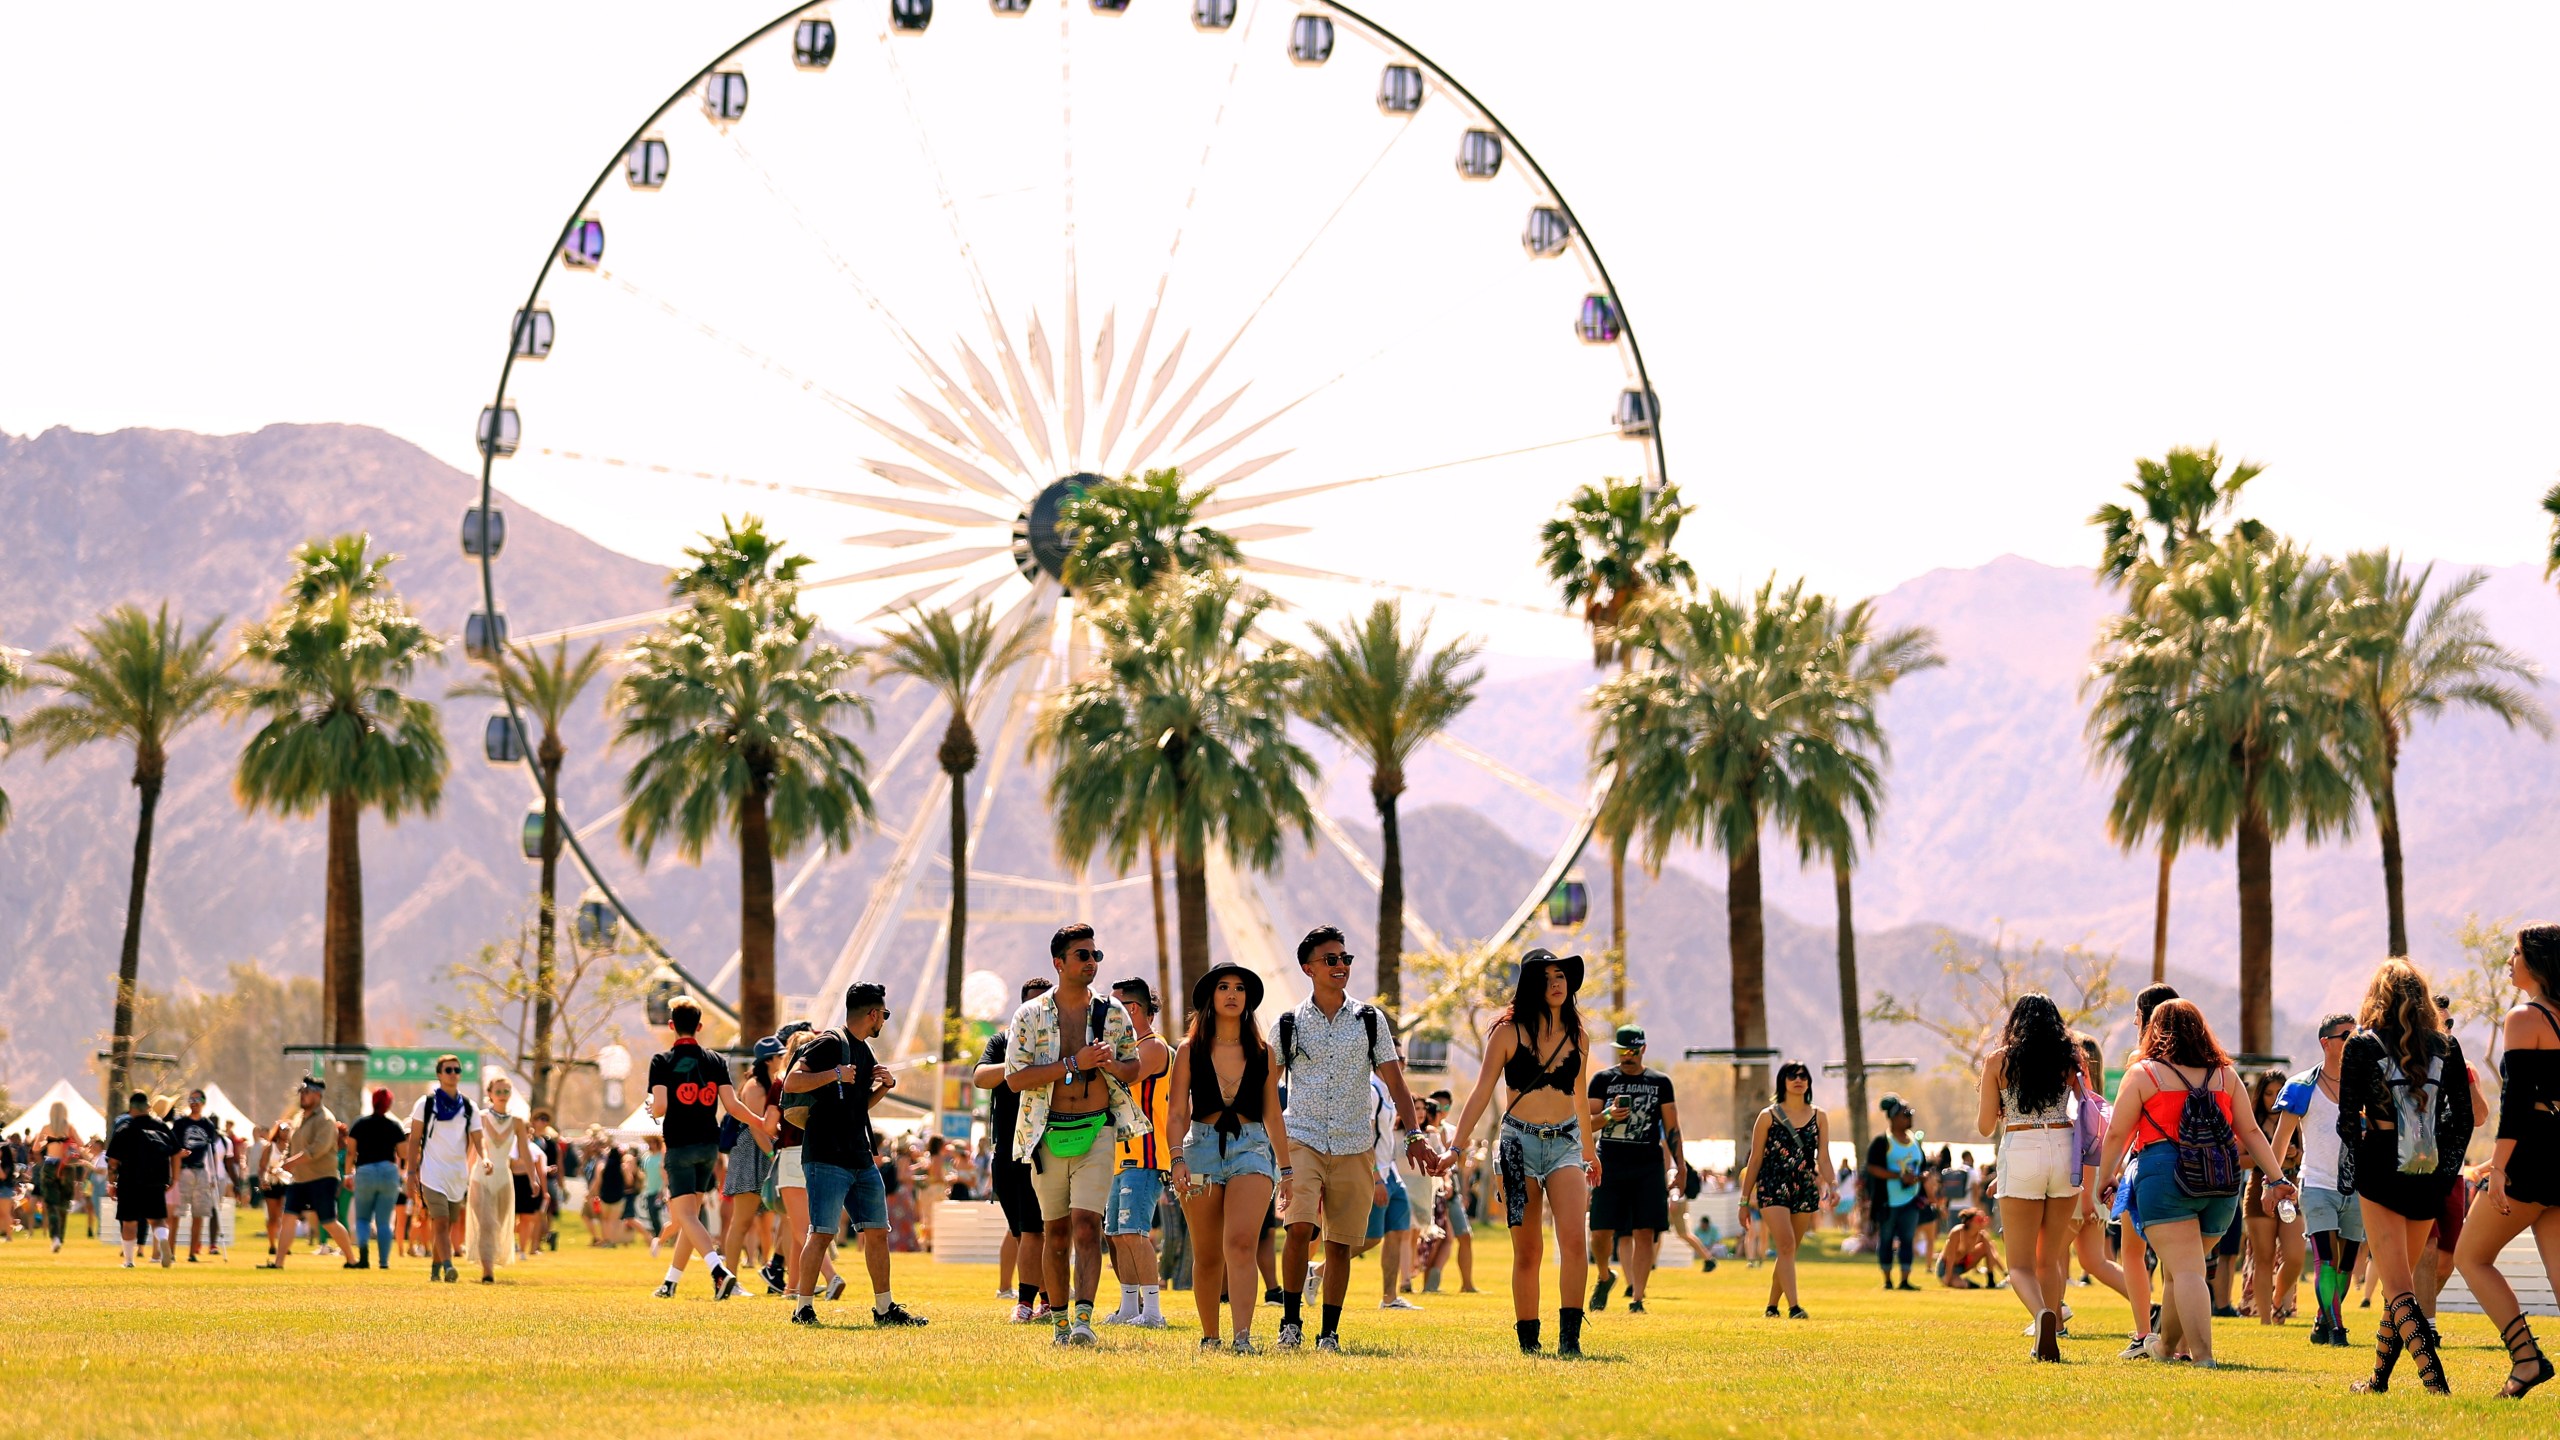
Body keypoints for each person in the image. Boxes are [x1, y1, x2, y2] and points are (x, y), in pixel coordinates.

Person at [2096, 999, 2297, 1369]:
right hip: (2220, 1183)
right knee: (2182, 1270)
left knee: (2185, 1271)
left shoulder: (2145, 1074)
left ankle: (2203, 1357)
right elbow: (2251, 1131)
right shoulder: (2224, 1075)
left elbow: (2117, 1135)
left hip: (2166, 1178)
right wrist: (2277, 1177)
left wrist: (2105, 1177)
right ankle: (2165, 1347)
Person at [1275, 925, 1440, 1353]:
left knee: (1341, 1243)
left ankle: (1328, 1332)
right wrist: (1266, 1137)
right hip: (1303, 1138)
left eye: (1346, 959)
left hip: (1354, 1144)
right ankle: (1290, 1323)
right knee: (1298, 1229)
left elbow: (1396, 1082)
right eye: (1332, 959)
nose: (1341, 966)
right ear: (1308, 967)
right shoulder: (1288, 1023)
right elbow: (1266, 1084)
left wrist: (1415, 1135)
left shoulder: (1369, 1019)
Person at [1002, 924, 1150, 1347]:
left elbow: (1133, 1069)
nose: (1090, 962)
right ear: (1059, 963)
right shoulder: (1029, 1015)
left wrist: (1108, 1066)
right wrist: (1073, 1062)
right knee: (1056, 1231)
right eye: (1082, 955)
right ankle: (1061, 1324)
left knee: (1088, 1225)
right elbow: (1015, 1079)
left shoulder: (1111, 1013)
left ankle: (1084, 1321)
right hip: (1046, 1134)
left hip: (1098, 1129)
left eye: (1095, 955)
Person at [2338, 958, 2480, 1395]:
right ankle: (2378, 1381)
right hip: (2429, 1167)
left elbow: (2347, 1121)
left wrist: (2363, 1159)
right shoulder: (2446, 1046)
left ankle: (2436, 1383)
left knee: (2398, 1287)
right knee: (2398, 1289)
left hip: (2380, 1165)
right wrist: (2445, 1171)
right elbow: (2464, 1117)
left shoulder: (2360, 1046)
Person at [1446, 948, 1593, 1357]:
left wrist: (1590, 1153)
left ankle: (1570, 1341)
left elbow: (1580, 1099)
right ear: (1532, 985)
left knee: (1574, 1244)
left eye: (1561, 975)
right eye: (1546, 977)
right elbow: (1480, 1093)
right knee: (1528, 1251)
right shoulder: (1506, 1033)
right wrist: (1457, 1147)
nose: (1557, 983)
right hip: (1517, 1145)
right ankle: (1529, 1343)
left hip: (1565, 1144)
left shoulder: (1578, 1036)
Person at [2454, 921, 2560, 1399]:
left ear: (2536, 961)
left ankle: (2526, 1359)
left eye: (2515, 953)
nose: (2509, 961)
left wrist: (2496, 1168)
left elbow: (2517, 1106)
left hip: (2532, 1154)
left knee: (2471, 1257)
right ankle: (2526, 1364)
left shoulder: (2525, 1018)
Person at [1165, 961, 1291, 1351]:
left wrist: (1286, 1170)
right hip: (1199, 1149)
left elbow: (1272, 1113)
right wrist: (1176, 1158)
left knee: (1240, 1243)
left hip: (1252, 1149)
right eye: (1223, 987)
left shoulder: (1263, 1052)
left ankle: (1242, 1338)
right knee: (1205, 1254)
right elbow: (1176, 1111)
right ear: (1210, 997)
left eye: (1239, 988)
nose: (1232, 994)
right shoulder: (1189, 1050)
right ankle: (1210, 1337)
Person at [783, 981, 924, 1328]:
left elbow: (858, 1106)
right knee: (823, 1232)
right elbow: (792, 1082)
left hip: (859, 1155)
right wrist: (835, 1074)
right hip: (826, 1154)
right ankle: (803, 1308)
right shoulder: (830, 1042)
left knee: (877, 1231)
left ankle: (884, 1308)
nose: (884, 1022)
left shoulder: (865, 1051)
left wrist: (883, 1088)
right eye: (884, 1015)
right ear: (873, 1013)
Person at [1977, 992, 2086, 1362]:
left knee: (2020, 1264)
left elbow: (1983, 1126)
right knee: (2051, 1256)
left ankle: (2041, 1316)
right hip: (2065, 1146)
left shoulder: (1998, 1061)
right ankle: (2054, 1327)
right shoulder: (2070, 1058)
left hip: (2022, 1146)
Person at [646, 995, 755, 1299]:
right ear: (700, 1026)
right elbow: (732, 1105)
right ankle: (670, 1283)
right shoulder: (716, 1061)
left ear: (671, 1025)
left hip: (680, 1146)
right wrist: (759, 1121)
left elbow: (660, 1107)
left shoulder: (662, 1061)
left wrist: (651, 1108)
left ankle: (718, 1271)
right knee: (688, 1217)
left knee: (687, 1217)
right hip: (709, 1146)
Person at [2270, 1014, 2362, 1347]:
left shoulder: (2367, 1084)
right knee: (2327, 1258)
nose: (2355, 1039)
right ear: (2326, 1043)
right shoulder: (2301, 1086)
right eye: (2347, 1035)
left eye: (2358, 1033)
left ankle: (2323, 1321)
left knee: (2347, 1264)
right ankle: (2338, 1329)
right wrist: (2274, 1182)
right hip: (2316, 1185)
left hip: (2357, 1188)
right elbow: (2280, 1141)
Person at [976, 976, 1058, 1321]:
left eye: (1044, 1003)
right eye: (1031, 1003)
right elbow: (981, 1077)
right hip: (1006, 1152)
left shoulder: (1058, 1042)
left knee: (1033, 1230)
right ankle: (1040, 1299)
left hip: (1043, 1149)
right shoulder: (1002, 1041)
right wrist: (1019, 1068)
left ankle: (1031, 1303)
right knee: (1020, 1231)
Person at [1586, 1024, 1682, 1316]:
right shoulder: (1602, 1080)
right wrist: (1608, 1115)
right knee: (1601, 1231)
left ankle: (1637, 1298)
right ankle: (1605, 1276)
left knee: (1645, 1231)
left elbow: (1672, 1126)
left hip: (1647, 1165)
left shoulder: (1660, 1082)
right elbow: (1586, 1124)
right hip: (1610, 1162)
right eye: (1623, 1051)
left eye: (1634, 1050)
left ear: (1643, 1049)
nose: (1628, 1056)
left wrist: (1681, 1166)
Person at [2110, 980, 2181, 1357]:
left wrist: (2111, 1173)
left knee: (2133, 1252)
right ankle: (2179, 1341)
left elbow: (2123, 1129)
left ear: (2142, 1019)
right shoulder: (2198, 1062)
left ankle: (2142, 1333)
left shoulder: (2142, 1066)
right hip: (2194, 1169)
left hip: (2147, 1163)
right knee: (2179, 1263)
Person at [1738, 1059, 1835, 1320]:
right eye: (1792, 1075)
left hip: (1804, 1186)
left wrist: (1833, 1184)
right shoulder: (1767, 1116)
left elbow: (1823, 1157)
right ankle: (1794, 1307)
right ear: (1782, 1081)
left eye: (1803, 1075)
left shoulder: (1820, 1116)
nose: (1798, 1079)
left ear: (1809, 1082)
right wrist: (1744, 1201)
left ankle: (1772, 1306)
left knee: (1787, 1251)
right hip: (1773, 1186)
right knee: (1786, 1244)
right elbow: (1755, 1160)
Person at [1102, 977, 1173, 1328]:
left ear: (1132, 1009)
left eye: (1113, 1007)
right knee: (1115, 1234)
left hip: (1145, 1154)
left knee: (1134, 1232)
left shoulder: (1153, 1046)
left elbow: (1123, 1079)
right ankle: (1129, 1307)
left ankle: (1154, 1312)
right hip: (1120, 1155)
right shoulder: (1128, 1047)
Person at [402, 1058, 481, 1282]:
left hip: (457, 1175)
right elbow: (414, 1140)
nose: (453, 1073)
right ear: (439, 1074)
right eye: (448, 1070)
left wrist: (484, 1159)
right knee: (441, 1220)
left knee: (446, 1225)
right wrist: (410, 1173)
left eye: (457, 1070)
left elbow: (477, 1138)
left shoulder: (468, 1107)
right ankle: (448, 1266)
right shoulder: (425, 1104)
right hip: (431, 1172)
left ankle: (435, 1268)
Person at [271, 1076, 359, 1271]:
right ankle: (278, 1263)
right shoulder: (299, 1118)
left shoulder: (326, 1120)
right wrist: (282, 1162)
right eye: (301, 1092)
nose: (302, 1096)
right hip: (299, 1179)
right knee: (288, 1218)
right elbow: (293, 1146)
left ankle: (352, 1260)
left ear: (318, 1095)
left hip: (322, 1179)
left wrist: (291, 1162)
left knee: (328, 1221)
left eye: (306, 1092)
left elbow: (317, 1149)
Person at [2241, 1068, 2305, 1325]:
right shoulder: (2251, 1122)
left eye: (2279, 1092)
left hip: (2291, 1188)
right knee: (2263, 1257)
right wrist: (2268, 1155)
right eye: (2269, 1093)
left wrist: (2294, 1155)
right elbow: (2239, 1159)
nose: (2274, 1098)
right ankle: (2266, 1320)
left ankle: (2279, 1300)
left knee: (2295, 1256)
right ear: (2261, 1095)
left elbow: (2306, 1155)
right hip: (2259, 1187)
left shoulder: (2294, 1119)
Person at [716, 1037, 781, 1284]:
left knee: (768, 1221)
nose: (782, 1059)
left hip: (763, 1154)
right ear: (769, 1059)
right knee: (741, 1221)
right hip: (750, 1156)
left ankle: (772, 1271)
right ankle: (728, 1280)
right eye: (779, 1055)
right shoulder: (754, 1087)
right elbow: (757, 1128)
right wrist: (772, 1155)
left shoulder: (772, 1083)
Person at [463, 1075, 532, 1282]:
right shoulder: (480, 1118)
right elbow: (474, 1147)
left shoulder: (517, 1121)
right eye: (498, 1091)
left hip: (504, 1177)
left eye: (506, 1091)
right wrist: (464, 1176)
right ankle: (487, 1271)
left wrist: (534, 1178)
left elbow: (525, 1152)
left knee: (499, 1225)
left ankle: (490, 1263)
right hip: (481, 1176)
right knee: (487, 1223)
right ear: (490, 1094)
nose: (502, 1096)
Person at [104, 1091, 177, 1268]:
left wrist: (112, 1182)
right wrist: (173, 1179)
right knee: (158, 1219)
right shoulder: (162, 1127)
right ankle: (162, 1239)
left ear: (131, 1109)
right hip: (157, 1180)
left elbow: (113, 1161)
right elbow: (176, 1153)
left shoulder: (124, 1129)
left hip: (130, 1181)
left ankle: (129, 1261)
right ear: (148, 1107)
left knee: (129, 1222)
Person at [1865, 1095, 1926, 1291]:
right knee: (1887, 1239)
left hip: (1910, 1200)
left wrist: (1921, 1177)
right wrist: (1899, 1176)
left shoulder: (1915, 1141)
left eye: (1910, 1113)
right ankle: (1887, 1280)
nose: (1909, 1117)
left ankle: (1905, 1280)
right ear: (1892, 1118)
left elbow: (1921, 1166)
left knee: (1908, 1239)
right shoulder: (1883, 1141)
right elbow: (1872, 1168)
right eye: (1904, 1114)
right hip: (1888, 1201)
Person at [347, 1087, 406, 1270]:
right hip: (388, 1172)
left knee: (363, 1219)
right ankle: (383, 1262)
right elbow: (403, 1153)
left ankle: (363, 1255)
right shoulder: (395, 1126)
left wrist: (348, 1174)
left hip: (365, 1172)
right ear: (389, 1105)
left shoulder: (359, 1124)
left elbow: (350, 1152)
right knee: (384, 1221)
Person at [166, 1090, 221, 1263]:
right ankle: (171, 1251)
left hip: (201, 1171)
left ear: (203, 1102)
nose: (194, 1102)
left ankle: (192, 1253)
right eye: (191, 1099)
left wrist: (213, 1177)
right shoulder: (181, 1123)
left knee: (199, 1213)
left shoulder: (208, 1125)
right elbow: (172, 1148)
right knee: (176, 1213)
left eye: (197, 1099)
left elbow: (211, 1152)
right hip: (183, 1170)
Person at [38, 1101, 80, 1253]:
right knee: (63, 1204)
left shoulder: (46, 1128)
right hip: (66, 1168)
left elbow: (36, 1147)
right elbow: (80, 1145)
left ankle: (55, 1237)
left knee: (51, 1203)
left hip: (50, 1166)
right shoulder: (69, 1128)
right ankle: (60, 1238)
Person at [1938, 1208, 2004, 1288]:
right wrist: (1948, 1277)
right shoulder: (1957, 1232)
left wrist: (2005, 1272)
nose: (1982, 1222)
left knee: (1988, 1246)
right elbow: (1950, 1257)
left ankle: (1991, 1282)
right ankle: (1974, 1285)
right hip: (1946, 1266)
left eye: (1983, 1219)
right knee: (1960, 1284)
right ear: (1969, 1222)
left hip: (1962, 1265)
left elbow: (1993, 1255)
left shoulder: (1982, 1235)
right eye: (1979, 1220)